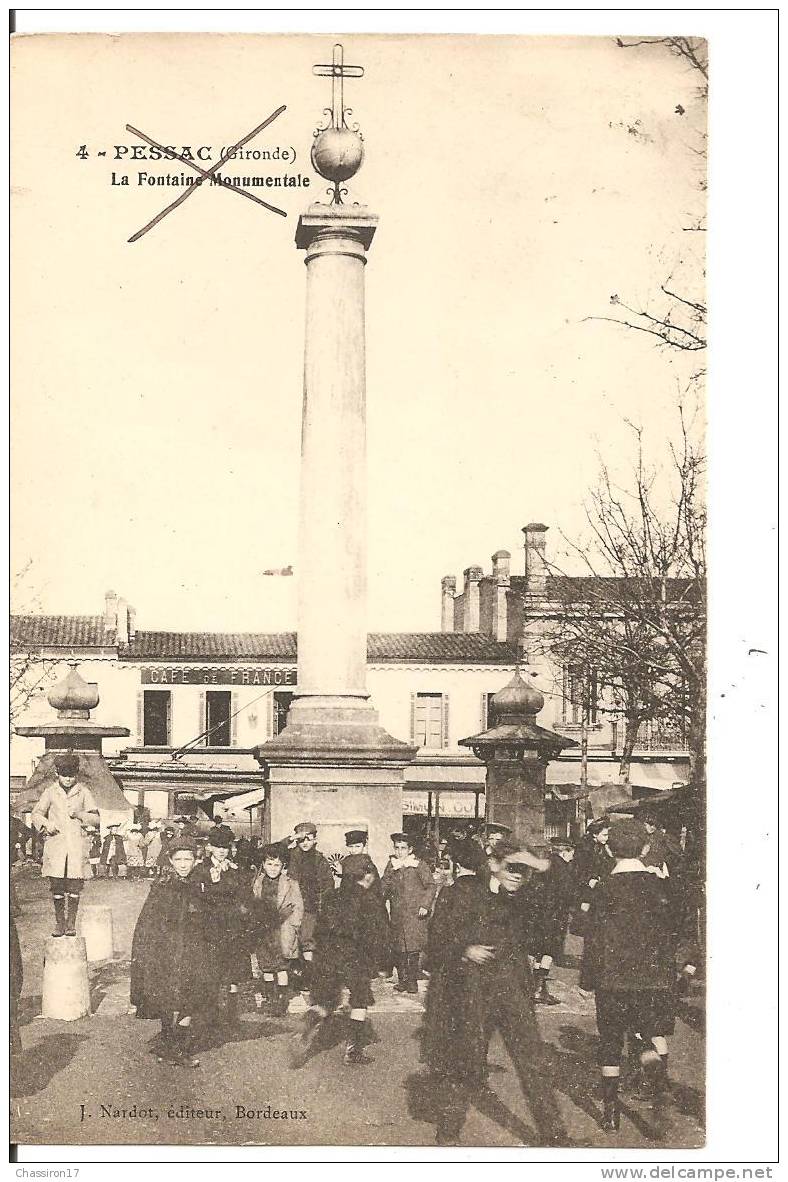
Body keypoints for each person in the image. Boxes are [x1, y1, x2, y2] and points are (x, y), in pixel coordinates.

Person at [422, 837, 567, 1146]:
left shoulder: (527, 897)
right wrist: (464, 949)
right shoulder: (459, 892)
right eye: (512, 868)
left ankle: (555, 1137)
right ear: (493, 864)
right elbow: (434, 944)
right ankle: (448, 1132)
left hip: (512, 990)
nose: (518, 876)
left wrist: (539, 866)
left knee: (533, 1061)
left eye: (525, 872)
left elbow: (560, 900)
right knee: (466, 1060)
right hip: (470, 990)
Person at [580, 818, 679, 1131]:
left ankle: (611, 1113)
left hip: (613, 979)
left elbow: (592, 938)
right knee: (651, 1032)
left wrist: (586, 981)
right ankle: (655, 1076)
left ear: (609, 849)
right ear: (646, 847)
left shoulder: (602, 889)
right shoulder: (660, 887)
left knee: (610, 1042)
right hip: (654, 978)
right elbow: (672, 932)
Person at [292, 854, 390, 1069]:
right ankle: (353, 1051)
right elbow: (377, 935)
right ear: (366, 875)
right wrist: (380, 962)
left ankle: (310, 1019)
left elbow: (319, 929)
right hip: (355, 956)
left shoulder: (331, 896)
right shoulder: (369, 900)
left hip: (327, 955)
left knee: (327, 1000)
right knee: (360, 1000)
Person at [130, 835, 216, 1067]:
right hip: (166, 952)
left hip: (191, 952)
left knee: (193, 997)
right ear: (170, 860)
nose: (184, 864)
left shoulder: (198, 883)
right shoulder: (163, 886)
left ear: (195, 860)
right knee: (167, 1000)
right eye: (178, 859)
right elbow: (149, 921)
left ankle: (173, 1043)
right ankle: (173, 1046)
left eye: (188, 859)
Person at [193, 823, 256, 1032]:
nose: (221, 851)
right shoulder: (201, 870)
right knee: (213, 973)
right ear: (210, 847)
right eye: (218, 846)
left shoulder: (236, 870)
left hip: (232, 929)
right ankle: (211, 1016)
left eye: (225, 847)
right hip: (210, 930)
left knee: (232, 975)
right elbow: (197, 899)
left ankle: (231, 1016)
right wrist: (212, 884)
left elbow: (245, 897)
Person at [31, 751, 100, 937]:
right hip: (56, 845)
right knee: (57, 886)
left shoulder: (84, 792)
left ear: (76, 774)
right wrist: (47, 824)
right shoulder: (50, 792)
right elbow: (36, 814)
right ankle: (59, 923)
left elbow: (96, 819)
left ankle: (71, 924)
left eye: (71, 775)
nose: (68, 779)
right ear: (57, 774)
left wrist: (80, 815)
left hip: (77, 846)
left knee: (74, 887)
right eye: (64, 775)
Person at [251, 843, 304, 1016]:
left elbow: (298, 906)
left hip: (282, 930)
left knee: (282, 966)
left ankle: (281, 1001)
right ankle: (270, 998)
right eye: (269, 864)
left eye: (277, 865)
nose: (273, 868)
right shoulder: (258, 882)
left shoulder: (290, 883)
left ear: (283, 866)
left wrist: (294, 926)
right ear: (263, 864)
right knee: (266, 966)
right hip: (264, 930)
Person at [382, 832, 436, 994]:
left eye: (403, 848)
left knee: (412, 948)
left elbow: (431, 886)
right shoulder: (392, 865)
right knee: (399, 948)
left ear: (410, 849)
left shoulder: (419, 865)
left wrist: (425, 905)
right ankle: (402, 981)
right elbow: (384, 885)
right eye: (397, 848)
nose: (399, 852)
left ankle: (412, 981)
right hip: (398, 914)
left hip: (415, 915)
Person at [286, 821, 336, 994]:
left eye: (309, 839)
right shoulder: (292, 856)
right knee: (292, 943)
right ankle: (295, 979)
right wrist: (290, 839)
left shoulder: (320, 860)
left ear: (315, 839)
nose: (305, 843)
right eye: (301, 840)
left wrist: (322, 908)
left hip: (310, 907)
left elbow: (328, 885)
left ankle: (308, 978)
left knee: (307, 942)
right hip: (292, 906)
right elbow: (271, 850)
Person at [529, 839, 577, 1005]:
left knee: (538, 951)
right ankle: (539, 989)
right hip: (555, 915)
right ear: (565, 852)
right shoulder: (562, 868)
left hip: (539, 914)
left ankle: (536, 987)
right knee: (550, 952)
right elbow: (567, 892)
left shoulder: (546, 863)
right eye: (571, 853)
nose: (572, 857)